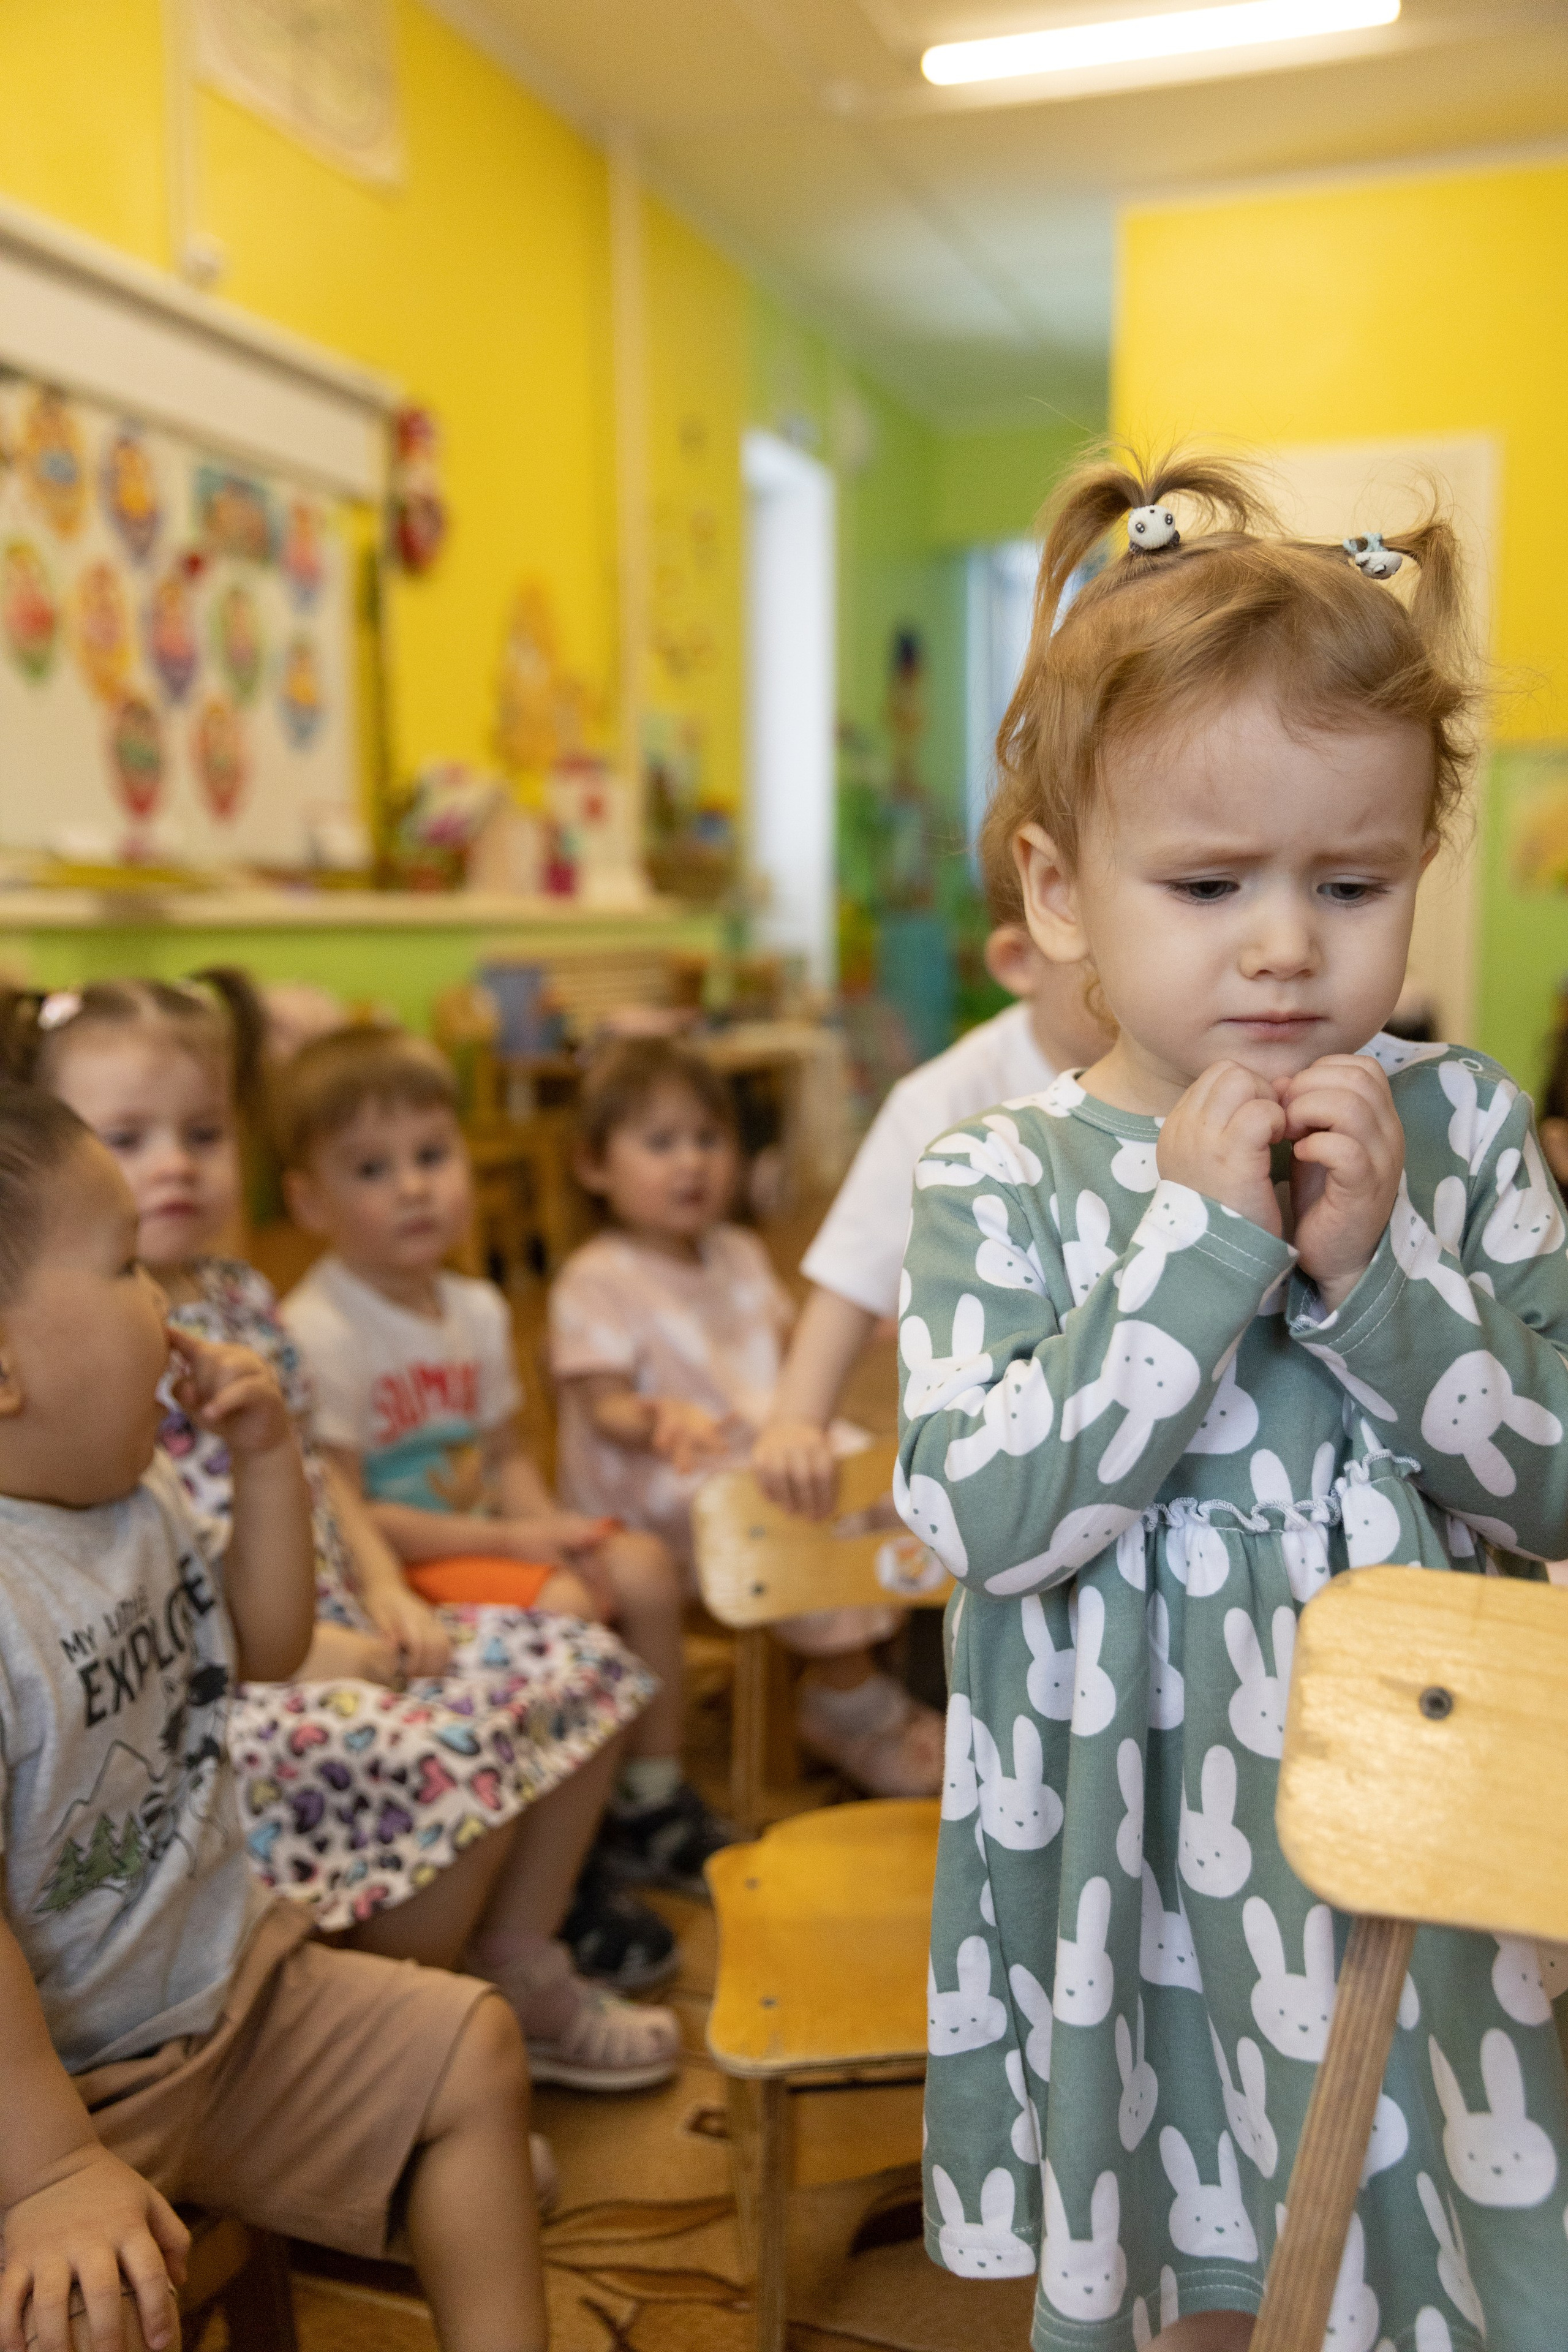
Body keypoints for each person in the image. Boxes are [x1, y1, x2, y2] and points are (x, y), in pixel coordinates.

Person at [899, 451, 1568, 2350]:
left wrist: (1375, 1280)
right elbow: (984, 1517)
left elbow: (1556, 1484)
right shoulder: (997, 1180)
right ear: (1059, 892)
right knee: (1200, 2259)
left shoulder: (1462, 1132)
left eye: (1348, 883)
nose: (1285, 942)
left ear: (1414, 877)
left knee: (1411, 2211)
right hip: (1131, 1839)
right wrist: (1203, 1256)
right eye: (1208, 883)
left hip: (1415, 1832)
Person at [7, 976, 684, 2096]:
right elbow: (165, 1604)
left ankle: (518, 1955)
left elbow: (321, 1482)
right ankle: (403, 2060)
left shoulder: (236, 1295)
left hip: (329, 1617)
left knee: (583, 1660)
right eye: (127, 1138)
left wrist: (382, 1589)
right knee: (429, 1742)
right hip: (252, 1677)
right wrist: (338, 1647)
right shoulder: (86, 1378)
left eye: (205, 1133)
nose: (175, 1164)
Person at [0, 1089, 552, 2352]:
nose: (170, 1305)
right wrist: (42, 2179)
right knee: (75, 2311)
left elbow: (263, 1646)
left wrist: (262, 1464)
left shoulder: (129, 1494)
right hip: (39, 2110)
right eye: (129, 1265)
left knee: (472, 2053)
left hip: (225, 2003)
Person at [274, 1022, 733, 1904]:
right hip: (397, 1562)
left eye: (432, 1155)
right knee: (565, 1603)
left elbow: (504, 1452)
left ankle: (647, 1797)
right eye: (371, 1170)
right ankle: (562, 1838)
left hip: (488, 1536)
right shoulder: (320, 1326)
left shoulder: (477, 1308)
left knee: (636, 1567)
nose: (413, 1187)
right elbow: (344, 1504)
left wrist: (550, 1527)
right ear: (310, 1202)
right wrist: (531, 1544)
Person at [750, 927, 1109, 1793]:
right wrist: (796, 1418)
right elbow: (850, 1276)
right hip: (1003, 1454)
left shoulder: (1205, 1062)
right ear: (1019, 959)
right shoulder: (946, 1098)